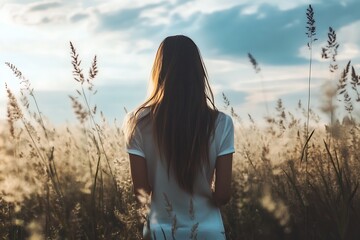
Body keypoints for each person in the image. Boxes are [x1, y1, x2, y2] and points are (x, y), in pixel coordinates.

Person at [123, 35, 234, 239]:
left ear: (159, 70)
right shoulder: (221, 123)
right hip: (207, 232)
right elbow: (223, 195)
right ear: (198, 72)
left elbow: (140, 190)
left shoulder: (137, 122)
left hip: (159, 232)